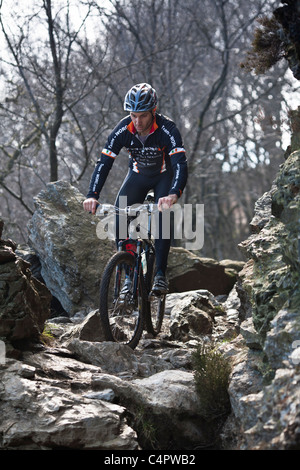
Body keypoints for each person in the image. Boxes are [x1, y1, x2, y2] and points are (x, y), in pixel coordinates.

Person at [83, 83, 188, 294]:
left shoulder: (168, 129)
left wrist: (173, 194)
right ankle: (129, 278)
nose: (137, 122)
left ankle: (159, 275)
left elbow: (180, 165)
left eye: (143, 116)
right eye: (133, 116)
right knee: (120, 216)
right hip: (137, 177)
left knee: (162, 217)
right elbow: (104, 163)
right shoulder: (123, 129)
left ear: (153, 112)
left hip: (163, 178)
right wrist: (92, 195)